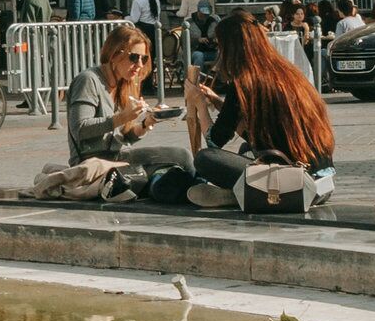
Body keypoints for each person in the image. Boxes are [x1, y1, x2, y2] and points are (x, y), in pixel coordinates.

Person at [178, 11, 336, 208]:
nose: (220, 52)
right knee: (246, 149)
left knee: (205, 159)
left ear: (231, 47)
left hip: (295, 183)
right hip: (322, 186)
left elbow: (215, 141)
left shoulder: (245, 81)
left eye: (221, 46)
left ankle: (242, 194)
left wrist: (200, 103)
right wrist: (218, 101)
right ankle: (245, 193)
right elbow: (256, 125)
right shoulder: (285, 73)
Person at [64, 23, 188, 175]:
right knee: (181, 156)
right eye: (134, 58)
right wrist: (122, 117)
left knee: (171, 174)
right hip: (92, 163)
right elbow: (80, 129)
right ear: (114, 54)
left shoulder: (125, 83)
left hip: (117, 158)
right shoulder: (89, 80)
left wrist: (145, 123)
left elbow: (125, 137)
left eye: (144, 59)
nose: (140, 65)